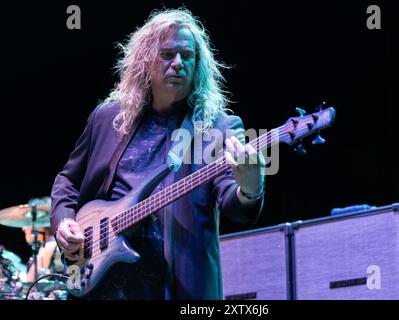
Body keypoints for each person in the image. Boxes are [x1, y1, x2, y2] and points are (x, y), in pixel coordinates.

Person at [50, 8, 265, 300]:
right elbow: (68, 180)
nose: (178, 63)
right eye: (167, 54)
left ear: (197, 65)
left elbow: (233, 201)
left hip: (175, 289)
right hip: (102, 286)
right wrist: (64, 221)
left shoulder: (217, 128)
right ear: (146, 60)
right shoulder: (107, 118)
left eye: (187, 56)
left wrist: (250, 187)